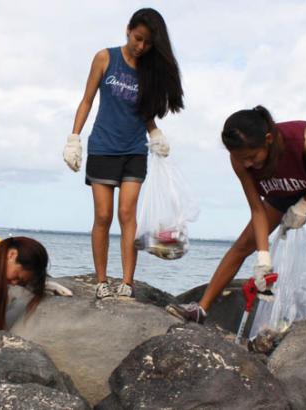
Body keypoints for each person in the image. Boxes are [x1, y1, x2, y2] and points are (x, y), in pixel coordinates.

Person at [166, 106, 306, 340]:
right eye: (242, 159)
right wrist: (263, 257)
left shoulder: (304, 140)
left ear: (268, 140)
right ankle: (201, 309)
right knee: (243, 244)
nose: (247, 164)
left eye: (252, 157)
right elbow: (257, 209)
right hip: (286, 186)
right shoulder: (240, 159)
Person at [63, 8, 184, 300]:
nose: (140, 47)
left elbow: (145, 114)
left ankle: (127, 282)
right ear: (128, 29)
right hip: (103, 147)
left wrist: (155, 133)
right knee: (103, 215)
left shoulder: (149, 71)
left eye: (147, 43)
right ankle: (102, 281)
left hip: (133, 150)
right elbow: (87, 100)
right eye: (137, 38)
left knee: (127, 213)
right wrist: (74, 137)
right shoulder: (106, 58)